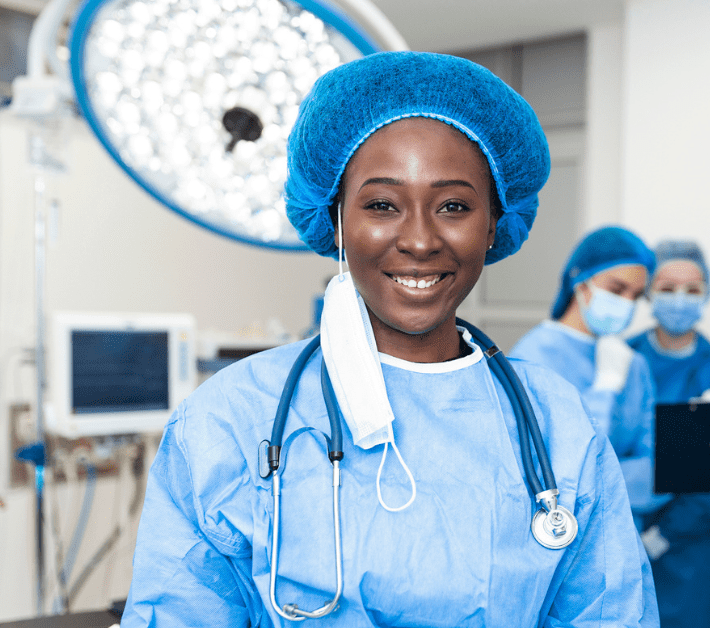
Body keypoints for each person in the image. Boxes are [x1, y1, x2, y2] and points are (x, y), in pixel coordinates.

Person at [122, 52, 658, 627]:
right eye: (381, 205)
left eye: (454, 206)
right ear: (335, 222)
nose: (421, 240)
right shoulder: (229, 421)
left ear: (495, 225)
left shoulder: (556, 425)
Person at [510, 226, 664, 522]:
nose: (627, 304)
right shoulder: (531, 358)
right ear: (579, 281)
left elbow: (657, 470)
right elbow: (549, 473)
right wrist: (603, 392)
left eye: (636, 295)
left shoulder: (633, 365)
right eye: (617, 290)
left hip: (626, 534)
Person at [627, 239, 710, 628]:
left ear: (706, 294)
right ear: (648, 292)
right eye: (667, 288)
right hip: (622, 534)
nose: (679, 299)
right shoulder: (623, 359)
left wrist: (664, 534)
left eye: (692, 290)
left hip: (694, 551)